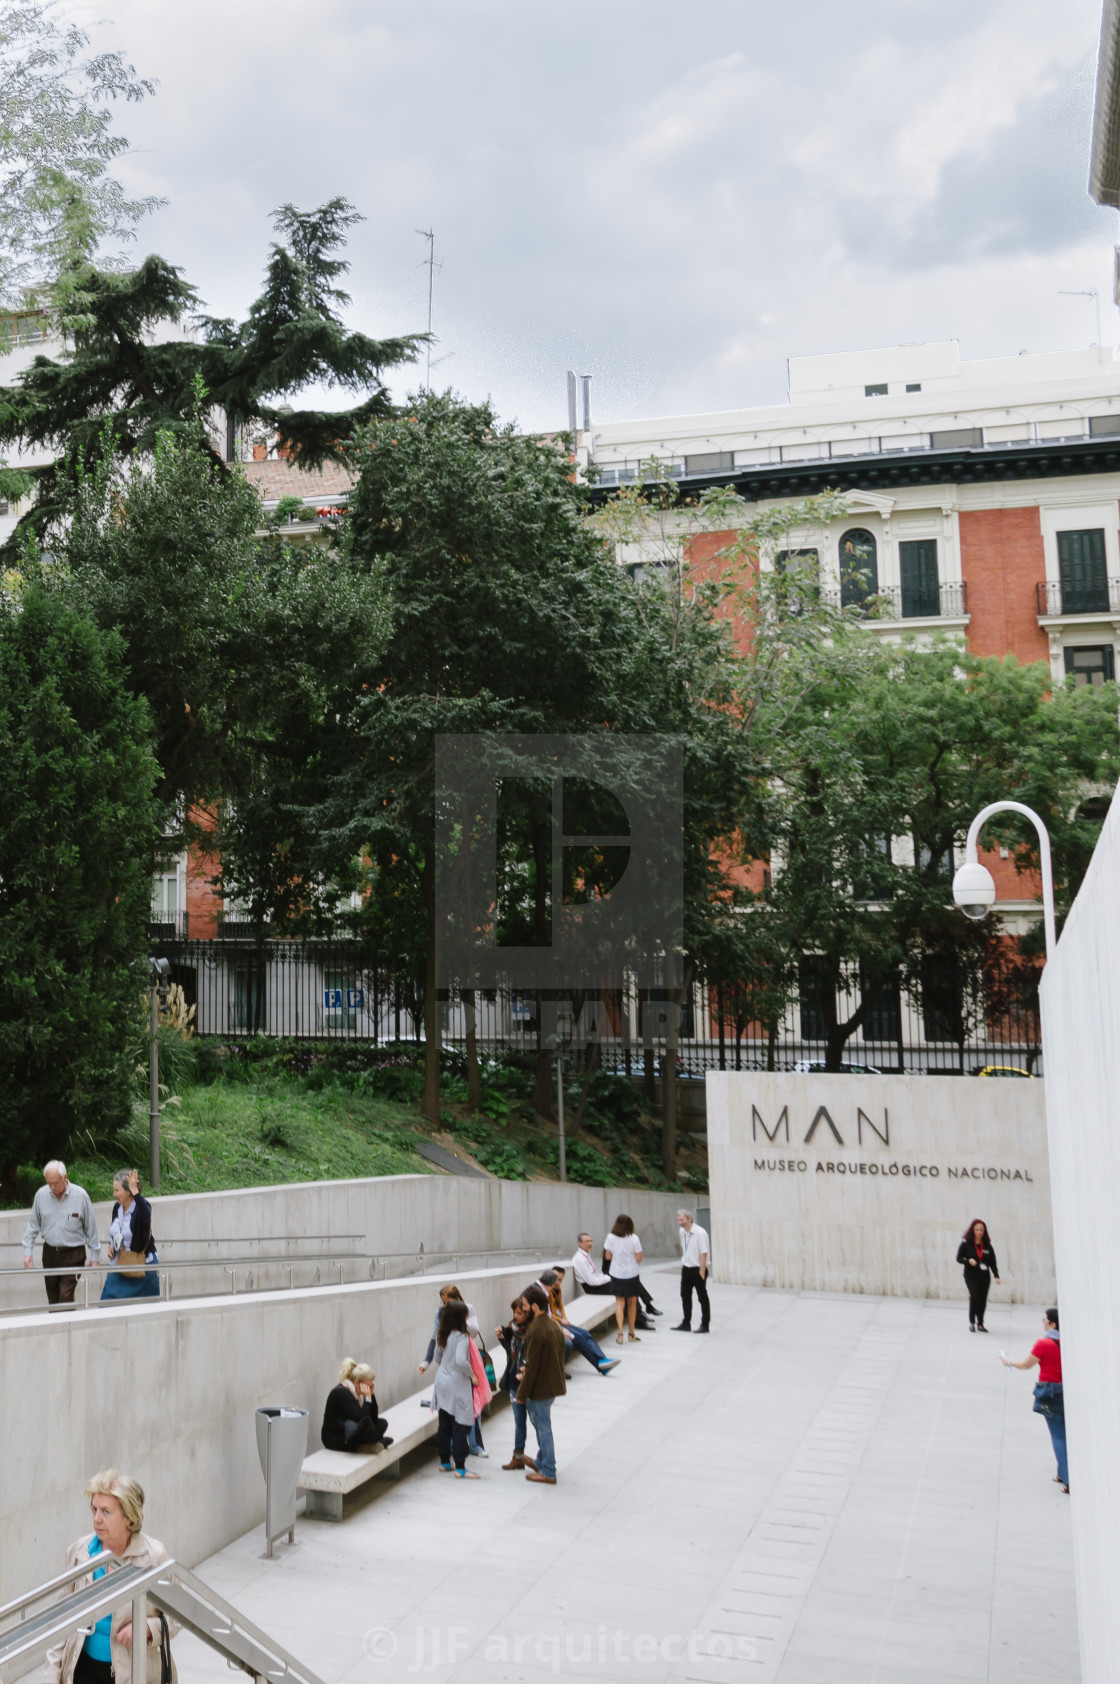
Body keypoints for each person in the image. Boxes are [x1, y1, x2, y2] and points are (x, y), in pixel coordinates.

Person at [43, 1468, 177, 1684]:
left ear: (128, 1517)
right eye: (94, 1509)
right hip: (83, 1669)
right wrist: (51, 1678)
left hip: (133, 1673)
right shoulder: (80, 1552)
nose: (97, 1519)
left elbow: (177, 1618)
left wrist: (146, 1628)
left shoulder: (154, 1556)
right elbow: (61, 1620)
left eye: (106, 1512)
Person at [1001, 1308, 1068, 1492]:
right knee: (1065, 1433)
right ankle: (1062, 1473)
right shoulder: (1069, 1342)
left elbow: (1026, 1364)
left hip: (1049, 1392)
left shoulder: (1043, 1343)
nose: (1043, 1322)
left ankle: (1068, 1479)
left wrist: (1009, 1362)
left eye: (1045, 1320)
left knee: (1057, 1434)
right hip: (1067, 1392)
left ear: (1053, 1324)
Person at [418, 1284, 488, 1457]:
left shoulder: (467, 1311)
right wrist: (426, 1362)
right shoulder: (440, 1314)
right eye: (443, 1302)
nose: (445, 1306)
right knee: (449, 1413)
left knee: (472, 1406)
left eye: (448, 1302)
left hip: (463, 1362)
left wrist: (458, 1318)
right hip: (454, 1369)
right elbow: (436, 1340)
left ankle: (474, 1445)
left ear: (457, 1299)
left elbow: (473, 1331)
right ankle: (453, 1453)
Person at [22, 1160, 100, 1309]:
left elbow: (91, 1228)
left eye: (56, 1183)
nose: (52, 1187)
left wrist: (95, 1257)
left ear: (65, 1177)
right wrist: (28, 1251)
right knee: (53, 1299)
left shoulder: (81, 1196)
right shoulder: (41, 1195)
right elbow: (33, 1225)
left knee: (65, 1296)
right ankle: (58, 1328)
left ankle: (65, 1327)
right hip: (50, 1253)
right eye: (49, 1183)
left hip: (74, 1254)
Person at [516, 1284, 566, 1485]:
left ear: (535, 1307)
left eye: (526, 1305)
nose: (524, 1308)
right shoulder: (553, 1324)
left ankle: (548, 1470)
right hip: (552, 1385)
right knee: (541, 1424)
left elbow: (533, 1366)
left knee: (543, 1426)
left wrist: (521, 1393)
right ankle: (542, 1461)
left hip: (541, 1388)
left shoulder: (536, 1330)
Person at [429, 1299, 480, 1478]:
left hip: (442, 1380)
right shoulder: (462, 1337)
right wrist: (472, 1375)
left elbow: (436, 1357)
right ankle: (460, 1467)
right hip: (457, 1382)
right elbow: (460, 1360)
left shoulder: (441, 1334)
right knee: (461, 1424)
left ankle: (444, 1462)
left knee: (444, 1424)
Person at [538, 1268, 620, 1375]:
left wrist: (565, 1318)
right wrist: (561, 1320)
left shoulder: (558, 1289)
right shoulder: (546, 1291)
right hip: (554, 1322)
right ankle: (600, 1365)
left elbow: (561, 1306)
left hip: (560, 1321)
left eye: (561, 1280)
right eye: (557, 1279)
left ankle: (602, 1360)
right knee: (578, 1337)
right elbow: (548, 1314)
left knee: (585, 1333)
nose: (558, 1283)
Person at [573, 1233, 661, 1328]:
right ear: (580, 1243)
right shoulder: (580, 1259)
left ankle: (640, 1315)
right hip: (593, 1288)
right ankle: (640, 1317)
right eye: (587, 1241)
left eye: (591, 1241)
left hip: (598, 1283)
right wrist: (608, 1278)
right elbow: (591, 1281)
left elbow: (594, 1275)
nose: (590, 1243)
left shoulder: (585, 1255)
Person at [100, 1170, 160, 1301]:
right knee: (107, 1304)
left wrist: (135, 1191)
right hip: (120, 1262)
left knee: (147, 1309)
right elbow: (115, 1230)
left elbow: (145, 1213)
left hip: (143, 1266)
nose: (114, 1194)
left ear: (128, 1192)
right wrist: (112, 1245)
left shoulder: (141, 1207)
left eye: (117, 1190)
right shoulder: (117, 1207)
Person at [496, 1296, 536, 1472]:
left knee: (538, 1422)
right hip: (514, 1381)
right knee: (519, 1421)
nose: (516, 1315)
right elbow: (511, 1354)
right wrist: (502, 1338)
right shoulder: (513, 1330)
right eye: (515, 1312)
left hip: (529, 1384)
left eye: (520, 1312)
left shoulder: (533, 1332)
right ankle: (517, 1457)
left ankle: (544, 1460)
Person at [320, 1358, 393, 1454]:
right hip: (335, 1438)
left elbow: (373, 1417)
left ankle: (370, 1445)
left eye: (371, 1386)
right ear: (357, 1383)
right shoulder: (341, 1393)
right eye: (368, 1386)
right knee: (368, 1427)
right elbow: (361, 1418)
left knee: (382, 1423)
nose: (368, 1388)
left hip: (350, 1431)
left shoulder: (354, 1392)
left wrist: (371, 1395)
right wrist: (367, 1399)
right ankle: (375, 1443)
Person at [603, 1214, 644, 1344]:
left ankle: (620, 1334)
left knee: (619, 1303)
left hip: (616, 1273)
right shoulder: (634, 1238)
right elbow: (639, 1258)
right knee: (632, 1302)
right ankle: (631, 1332)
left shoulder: (610, 1237)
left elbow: (608, 1256)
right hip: (632, 1273)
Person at [955, 1218, 1000, 1331]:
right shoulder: (966, 1244)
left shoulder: (987, 1246)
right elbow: (959, 1258)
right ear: (973, 1230)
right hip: (971, 1275)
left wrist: (996, 1275)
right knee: (975, 1296)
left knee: (983, 1299)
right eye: (977, 1230)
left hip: (984, 1276)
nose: (979, 1232)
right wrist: (968, 1261)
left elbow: (993, 1262)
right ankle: (972, 1322)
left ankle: (980, 1323)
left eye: (981, 1230)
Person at [673, 1208, 711, 1333]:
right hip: (686, 1268)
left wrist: (702, 1270)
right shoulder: (682, 1232)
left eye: (682, 1220)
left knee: (702, 1298)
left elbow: (704, 1252)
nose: (680, 1222)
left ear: (690, 1219)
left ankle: (705, 1324)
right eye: (678, 1220)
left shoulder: (700, 1233)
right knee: (685, 1296)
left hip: (698, 1269)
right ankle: (686, 1323)